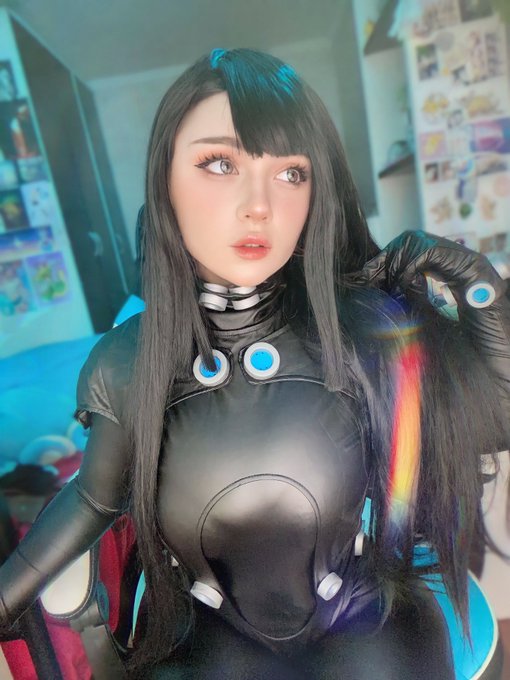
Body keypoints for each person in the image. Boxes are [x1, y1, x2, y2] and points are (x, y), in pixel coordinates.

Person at [0, 48, 509, 679]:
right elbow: (91, 499)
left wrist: (482, 292)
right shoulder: (129, 362)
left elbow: (494, 421)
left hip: (363, 614)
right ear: (165, 181)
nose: (259, 204)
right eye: (220, 164)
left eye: (291, 173)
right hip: (211, 629)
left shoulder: (356, 327)